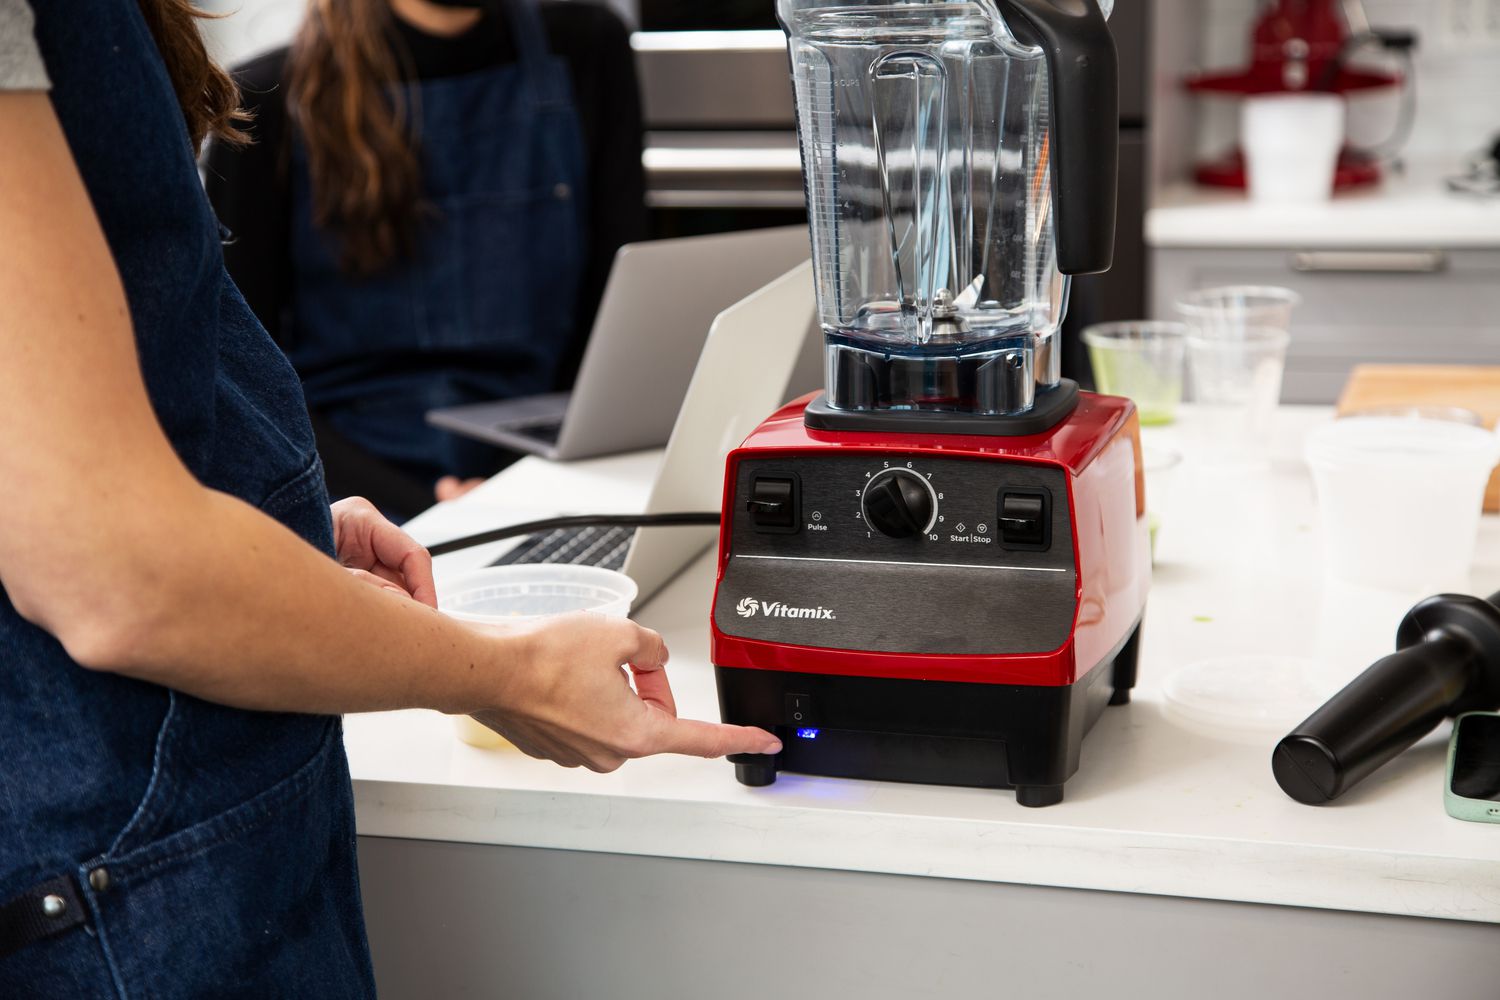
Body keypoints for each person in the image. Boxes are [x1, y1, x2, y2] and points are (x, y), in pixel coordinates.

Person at [0, 1, 778, 993]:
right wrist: (511, 676)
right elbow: (114, 575)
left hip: (237, 800)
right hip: (132, 858)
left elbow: (98, 428)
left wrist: (266, 527)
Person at [204, 0, 647, 519]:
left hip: (546, 470)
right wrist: (416, 508)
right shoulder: (266, 97)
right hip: (349, 498)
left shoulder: (587, 46)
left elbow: (615, 317)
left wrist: (511, 484)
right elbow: (241, 378)